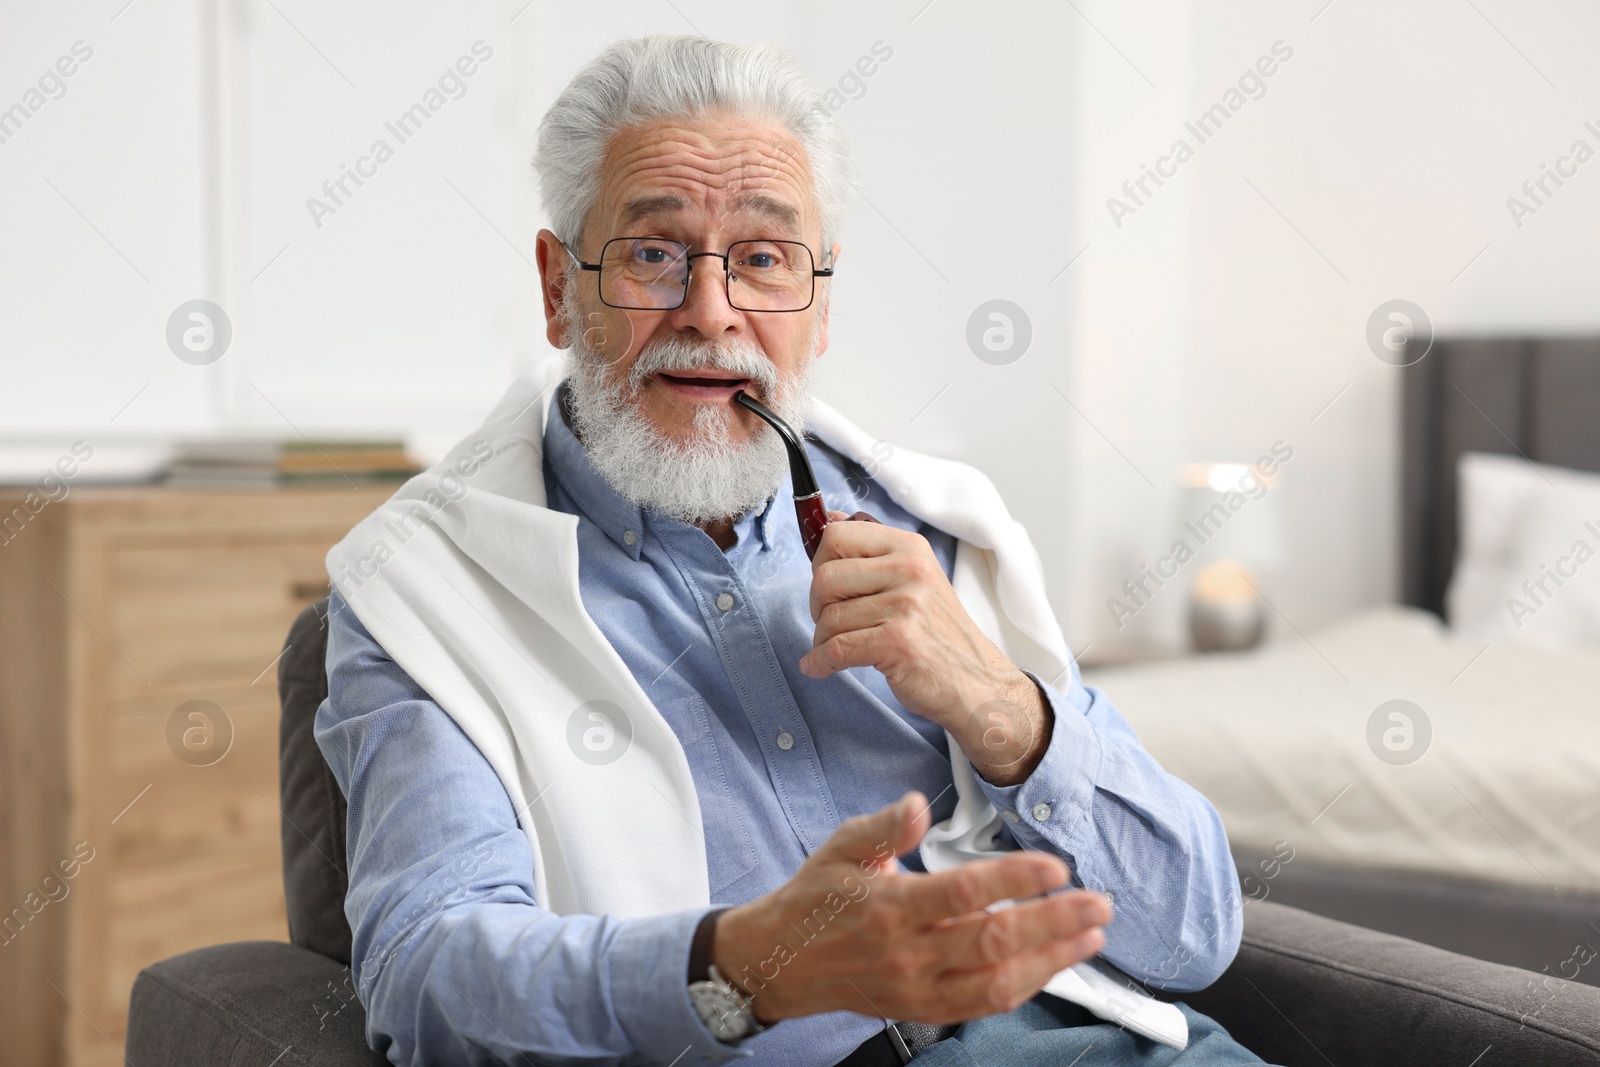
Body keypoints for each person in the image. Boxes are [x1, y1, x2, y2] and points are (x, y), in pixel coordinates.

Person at [316, 34, 1275, 1067]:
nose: (712, 312)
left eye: (764, 260)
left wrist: (1004, 709)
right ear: (559, 289)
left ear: (819, 304)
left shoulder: (941, 529)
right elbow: (425, 971)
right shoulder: (421, 592)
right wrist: (740, 966)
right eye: (652, 253)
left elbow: (1192, 931)